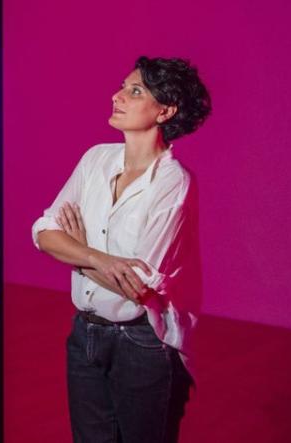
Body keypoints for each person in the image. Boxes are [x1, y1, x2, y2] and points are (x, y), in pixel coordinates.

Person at [32, 56, 211, 443]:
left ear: (165, 110)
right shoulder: (95, 159)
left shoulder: (174, 184)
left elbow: (139, 288)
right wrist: (95, 256)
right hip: (85, 334)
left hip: (143, 343)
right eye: (122, 87)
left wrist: (74, 249)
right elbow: (44, 231)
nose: (117, 96)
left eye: (135, 91)